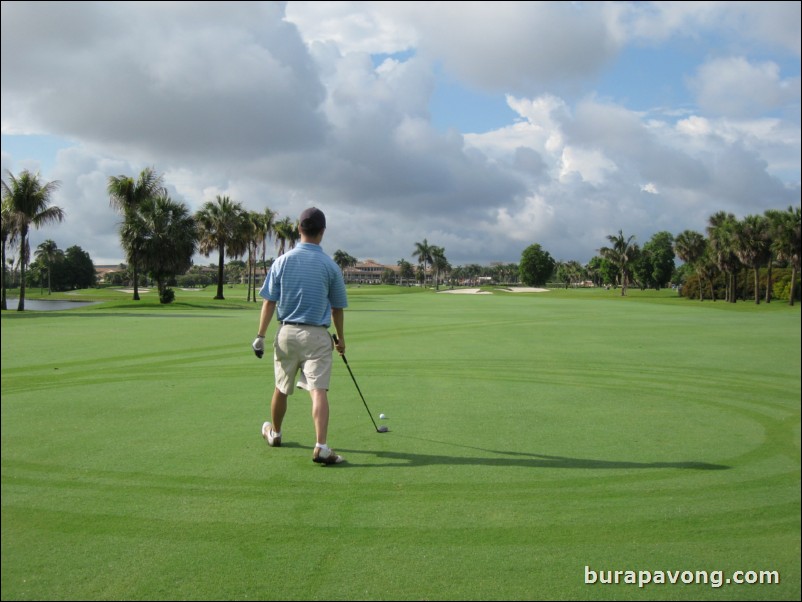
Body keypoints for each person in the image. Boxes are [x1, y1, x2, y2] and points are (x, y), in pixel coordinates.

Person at [252, 207, 349, 465]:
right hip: (317, 336)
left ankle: (275, 433)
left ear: (298, 229)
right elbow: (337, 308)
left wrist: (260, 336)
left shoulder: (281, 261)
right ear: (323, 232)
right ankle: (321, 446)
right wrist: (340, 339)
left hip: (286, 332)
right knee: (318, 391)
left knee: (281, 388)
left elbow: (269, 302)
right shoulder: (330, 266)